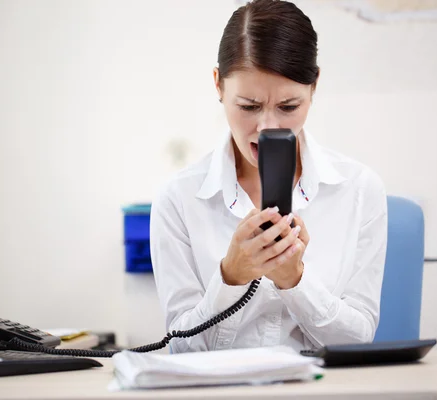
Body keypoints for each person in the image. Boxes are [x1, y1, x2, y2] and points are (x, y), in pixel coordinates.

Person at [150, 0, 387, 353]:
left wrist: (294, 281)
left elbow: (357, 340)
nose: (267, 128)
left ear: (314, 86)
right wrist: (230, 277)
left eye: (288, 107)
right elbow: (181, 349)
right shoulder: (179, 199)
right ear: (218, 85)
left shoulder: (359, 190)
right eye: (249, 106)